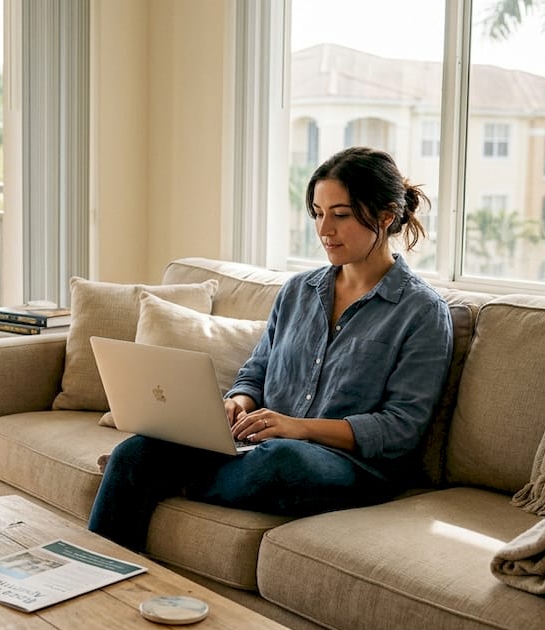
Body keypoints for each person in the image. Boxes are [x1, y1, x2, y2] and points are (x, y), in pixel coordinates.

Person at [87, 146, 454, 551]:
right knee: (135, 452)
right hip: (260, 445)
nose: (324, 229)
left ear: (385, 217)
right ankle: (101, 579)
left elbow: (401, 427)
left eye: (341, 214)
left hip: (345, 465)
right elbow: (257, 368)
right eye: (317, 212)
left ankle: (165, 479)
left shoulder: (422, 312)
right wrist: (238, 402)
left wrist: (298, 428)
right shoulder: (298, 291)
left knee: (282, 463)